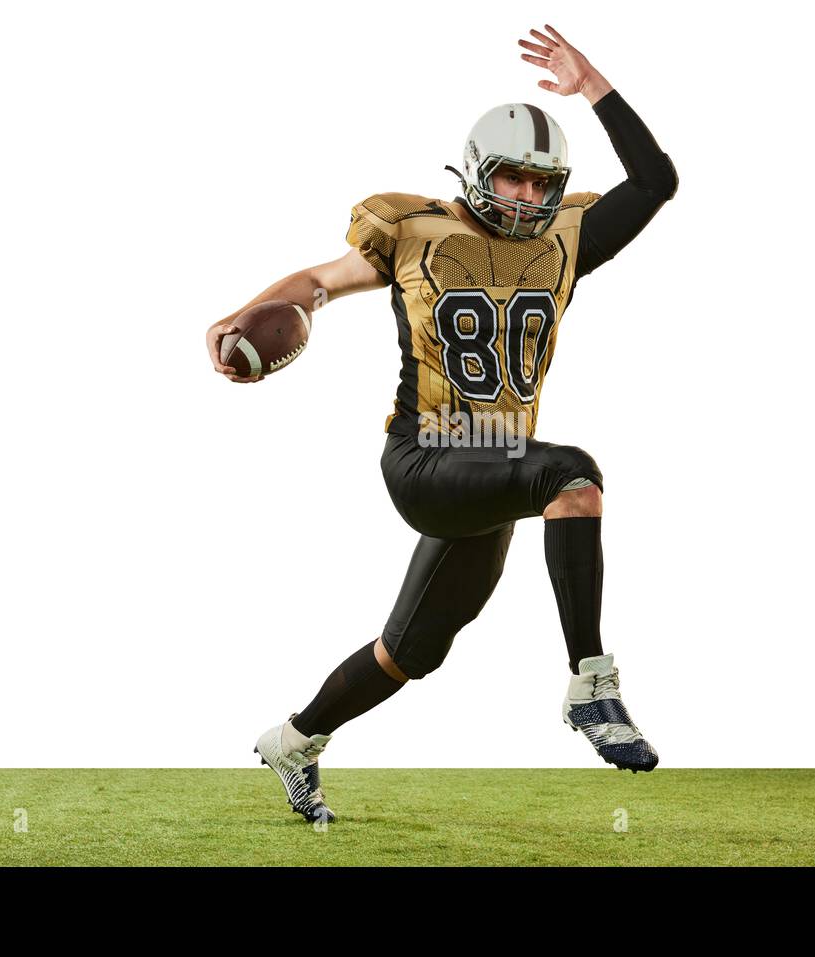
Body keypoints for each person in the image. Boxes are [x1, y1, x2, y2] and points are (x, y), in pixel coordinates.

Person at [206, 25, 678, 824]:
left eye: (541, 183)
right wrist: (255, 312)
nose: (527, 198)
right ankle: (591, 685)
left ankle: (296, 737)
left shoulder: (568, 241)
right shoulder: (416, 229)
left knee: (410, 652)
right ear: (477, 169)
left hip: (494, 464)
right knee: (573, 475)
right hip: (427, 455)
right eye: (512, 180)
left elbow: (655, 178)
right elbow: (321, 279)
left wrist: (592, 80)